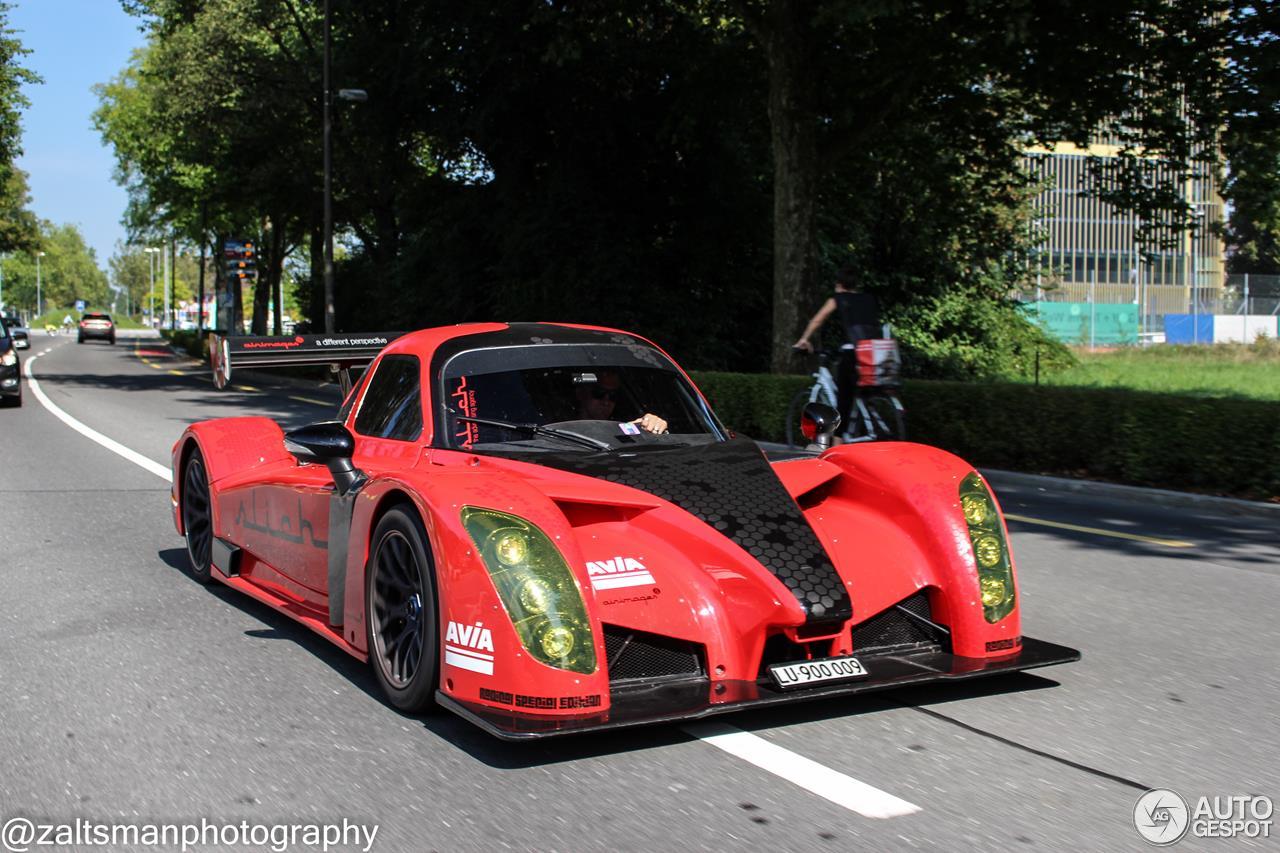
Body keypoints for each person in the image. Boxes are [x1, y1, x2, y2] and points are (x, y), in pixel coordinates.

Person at [793, 265, 881, 437]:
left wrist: (804, 339)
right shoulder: (869, 299)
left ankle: (837, 445)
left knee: (843, 403)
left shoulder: (838, 298)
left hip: (853, 354)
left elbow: (818, 320)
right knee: (863, 395)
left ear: (839, 283)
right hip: (873, 355)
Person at [574, 369, 668, 434]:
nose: (606, 402)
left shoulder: (621, 427)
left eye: (613, 396)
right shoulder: (562, 432)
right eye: (599, 393)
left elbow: (637, 430)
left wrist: (652, 423)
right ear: (581, 394)